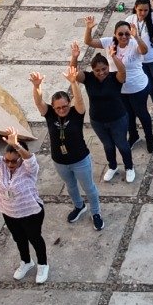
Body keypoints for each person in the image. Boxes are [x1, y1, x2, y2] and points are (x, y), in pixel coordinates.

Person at [30, 62, 104, 232]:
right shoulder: (49, 113)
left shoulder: (76, 112)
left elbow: (79, 99)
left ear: (69, 104)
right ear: (53, 107)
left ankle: (96, 212)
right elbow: (38, 102)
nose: (62, 110)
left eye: (64, 106)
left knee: (89, 188)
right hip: (60, 161)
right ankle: (79, 206)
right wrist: (37, 86)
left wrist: (73, 83)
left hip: (80, 160)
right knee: (71, 187)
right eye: (58, 108)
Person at [0, 125, 48, 284]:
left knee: (34, 238)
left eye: (13, 161)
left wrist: (16, 145)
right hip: (9, 211)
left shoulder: (29, 168)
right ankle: (26, 262)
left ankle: (43, 264)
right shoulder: (1, 164)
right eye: (7, 160)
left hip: (30, 211)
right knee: (19, 238)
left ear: (20, 158)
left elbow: (30, 159)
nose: (9, 164)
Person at [82, 17, 152, 170]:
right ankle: (133, 136)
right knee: (128, 115)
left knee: (142, 114)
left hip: (137, 87)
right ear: (115, 34)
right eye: (120, 34)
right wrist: (89, 28)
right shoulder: (109, 42)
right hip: (118, 89)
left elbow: (145, 51)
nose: (124, 37)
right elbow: (88, 42)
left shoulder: (134, 43)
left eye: (127, 34)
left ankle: (150, 140)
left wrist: (137, 36)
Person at [73, 44, 133, 182]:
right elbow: (74, 73)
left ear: (108, 67)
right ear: (92, 70)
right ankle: (112, 166)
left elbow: (123, 72)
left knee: (122, 144)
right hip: (97, 121)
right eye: (97, 70)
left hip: (117, 118)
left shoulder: (114, 78)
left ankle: (129, 167)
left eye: (104, 69)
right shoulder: (88, 79)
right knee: (108, 146)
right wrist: (75, 57)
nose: (101, 73)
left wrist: (113, 56)